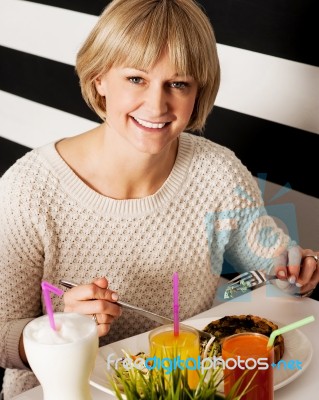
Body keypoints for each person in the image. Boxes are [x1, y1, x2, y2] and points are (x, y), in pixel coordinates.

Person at [0, 0, 318, 398]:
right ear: (100, 78)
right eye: (136, 79)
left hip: (188, 387)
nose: (156, 105)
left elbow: (273, 263)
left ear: (198, 92)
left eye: (178, 83)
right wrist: (61, 329)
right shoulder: (28, 189)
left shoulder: (217, 172)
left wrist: (296, 269)